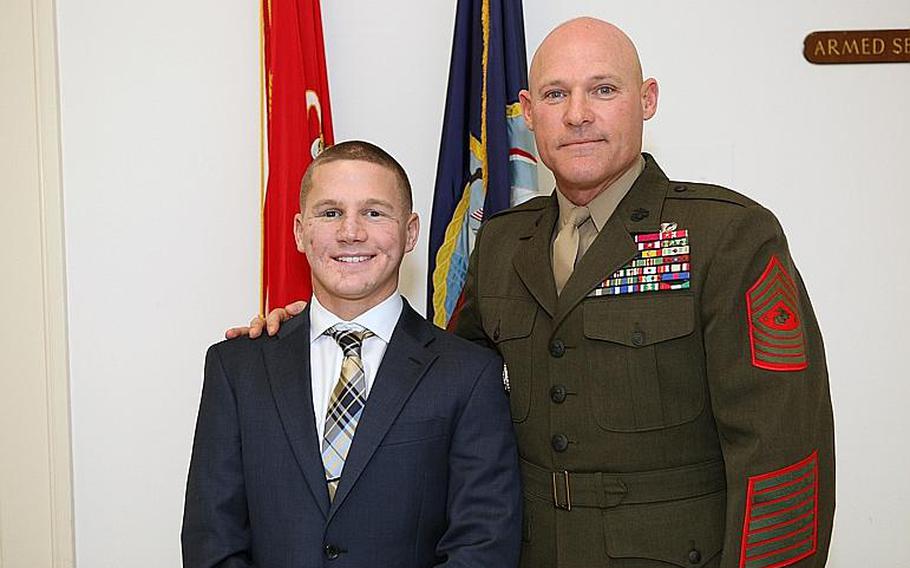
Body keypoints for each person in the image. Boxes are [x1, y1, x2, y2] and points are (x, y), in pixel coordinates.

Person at [230, 18, 835, 568]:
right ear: (527, 111)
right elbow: (430, 381)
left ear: (646, 99)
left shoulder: (726, 237)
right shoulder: (501, 245)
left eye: (603, 89)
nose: (577, 114)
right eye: (554, 94)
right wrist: (315, 331)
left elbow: (783, 462)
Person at [184, 141, 522, 568]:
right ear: (299, 231)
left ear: (411, 232)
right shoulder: (237, 368)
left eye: (374, 212)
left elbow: (483, 544)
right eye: (330, 213)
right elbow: (212, 539)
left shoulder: (469, 374)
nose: (350, 232)